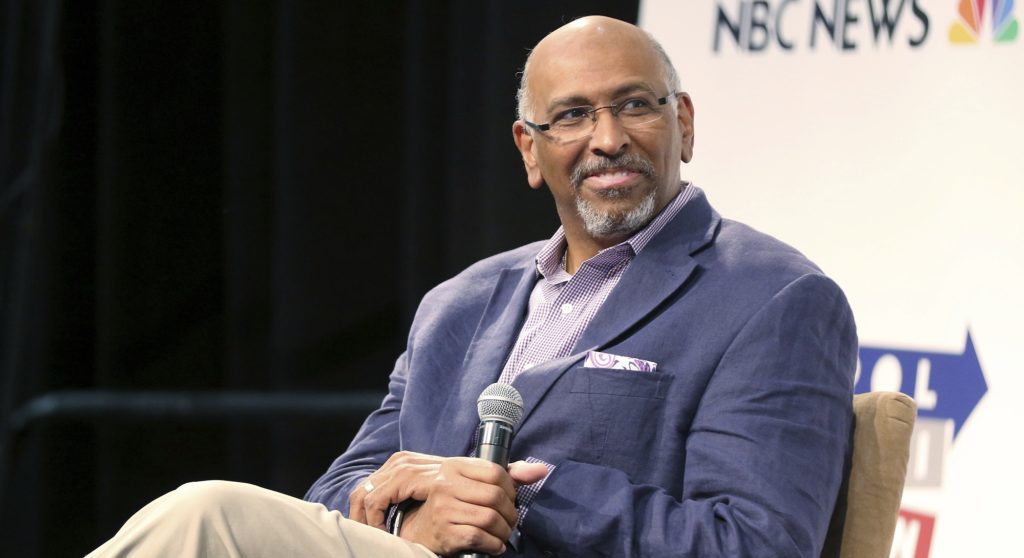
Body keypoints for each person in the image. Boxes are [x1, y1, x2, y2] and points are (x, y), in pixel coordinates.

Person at [89, 15, 856, 558]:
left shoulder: (773, 298)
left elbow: (755, 543)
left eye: (634, 105)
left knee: (207, 518)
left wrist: (523, 500)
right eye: (572, 116)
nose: (608, 137)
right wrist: (408, 527)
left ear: (682, 122)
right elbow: (340, 491)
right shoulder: (461, 302)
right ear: (530, 149)